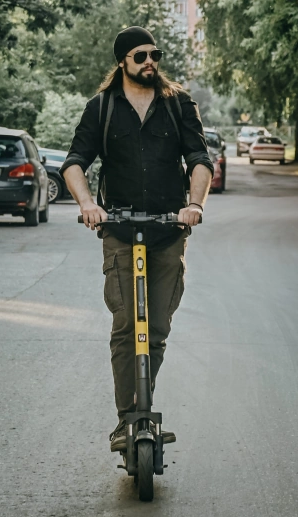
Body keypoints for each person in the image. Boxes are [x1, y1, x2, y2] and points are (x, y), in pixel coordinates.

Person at [60, 26, 213, 452]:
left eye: (155, 54)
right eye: (141, 55)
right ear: (123, 62)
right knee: (128, 325)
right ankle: (128, 418)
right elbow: (74, 163)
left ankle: (142, 407)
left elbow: (199, 159)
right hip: (121, 231)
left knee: (157, 328)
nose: (151, 62)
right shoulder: (102, 108)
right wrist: (88, 203)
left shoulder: (178, 104)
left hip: (168, 231)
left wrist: (195, 205)